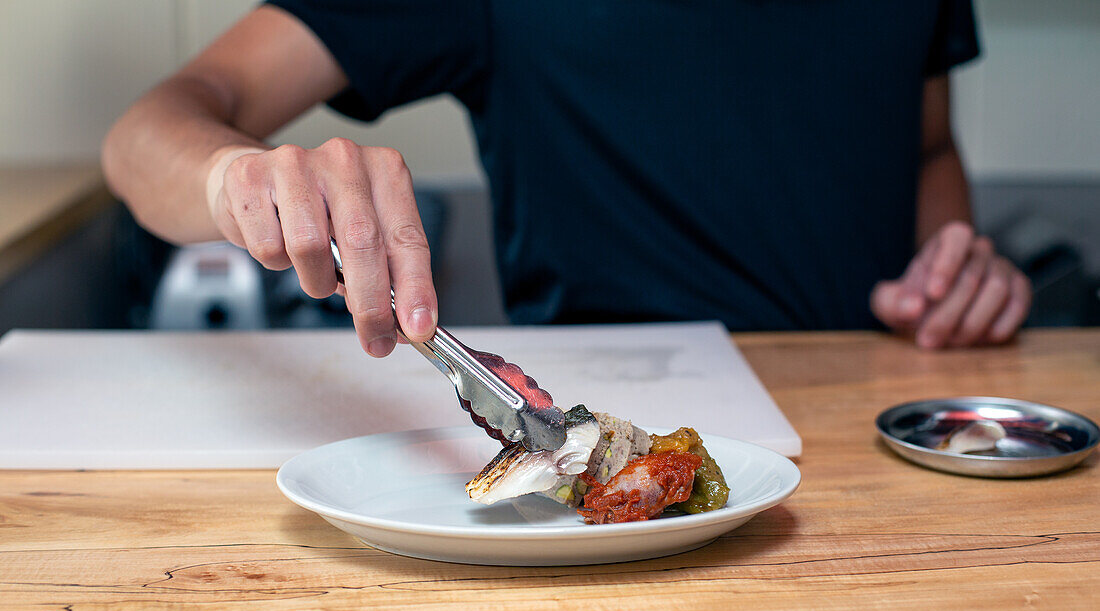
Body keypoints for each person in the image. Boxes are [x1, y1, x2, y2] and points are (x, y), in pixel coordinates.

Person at [102, 0, 1031, 357]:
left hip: (880, 457)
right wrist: (236, 176)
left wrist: (949, 281)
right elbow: (150, 129)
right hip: (611, 464)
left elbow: (926, 150)